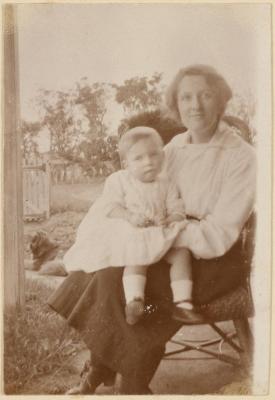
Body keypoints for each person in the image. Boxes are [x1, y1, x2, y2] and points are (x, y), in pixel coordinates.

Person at [48, 64, 256, 394]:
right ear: (176, 104)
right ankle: (106, 367)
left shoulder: (243, 157)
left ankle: (128, 380)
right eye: (186, 97)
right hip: (162, 243)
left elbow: (221, 232)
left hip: (212, 258)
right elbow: (136, 190)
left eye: (205, 95)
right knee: (105, 269)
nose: (195, 105)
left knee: (128, 288)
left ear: (222, 100)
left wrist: (167, 231)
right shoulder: (171, 147)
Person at [63, 126, 197, 325]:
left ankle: (183, 302)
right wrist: (129, 216)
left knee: (182, 253)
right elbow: (110, 207)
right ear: (126, 164)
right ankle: (134, 300)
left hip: (160, 233)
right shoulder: (119, 180)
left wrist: (169, 220)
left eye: (154, 155)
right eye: (139, 158)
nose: (149, 162)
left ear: (162, 155)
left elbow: (177, 209)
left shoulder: (167, 183)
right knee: (136, 256)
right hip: (135, 232)